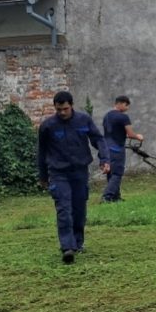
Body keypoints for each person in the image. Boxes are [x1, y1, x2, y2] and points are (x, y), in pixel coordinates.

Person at [37, 90, 110, 264]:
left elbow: (98, 139)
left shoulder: (83, 120)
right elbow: (41, 152)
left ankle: (77, 243)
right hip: (58, 173)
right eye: (58, 109)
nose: (62, 112)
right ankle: (67, 247)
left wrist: (105, 159)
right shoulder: (47, 126)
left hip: (79, 172)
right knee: (64, 209)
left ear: (71, 106)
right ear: (55, 108)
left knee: (79, 210)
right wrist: (43, 175)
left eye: (65, 109)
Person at [101, 95, 145, 203]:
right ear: (121, 103)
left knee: (110, 173)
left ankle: (116, 197)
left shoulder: (107, 116)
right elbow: (130, 134)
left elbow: (112, 131)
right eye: (126, 105)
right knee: (117, 173)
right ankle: (107, 196)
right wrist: (138, 136)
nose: (127, 108)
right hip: (116, 148)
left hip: (106, 147)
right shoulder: (123, 117)